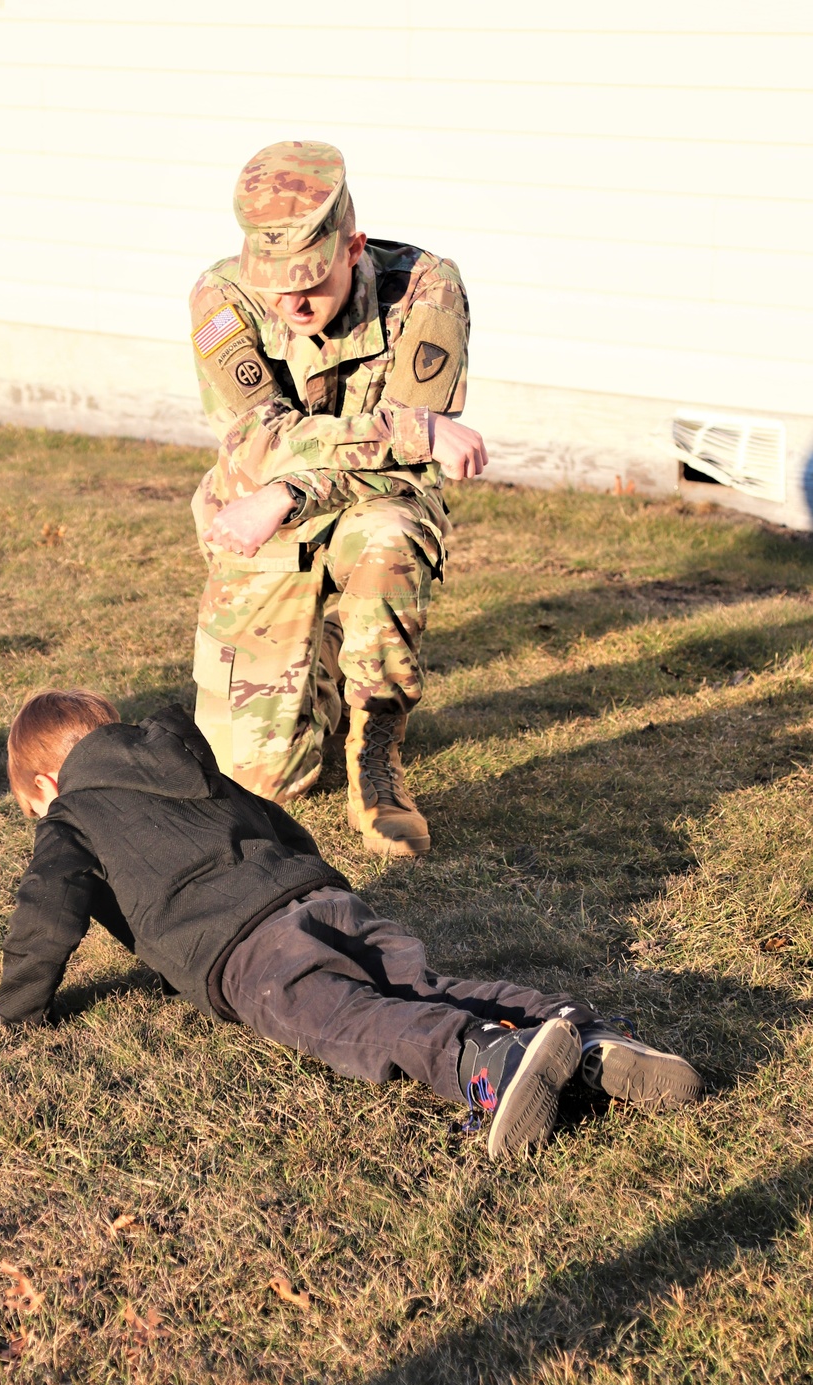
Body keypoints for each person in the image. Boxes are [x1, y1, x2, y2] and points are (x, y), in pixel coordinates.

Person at [0, 691, 704, 1162]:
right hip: (319, 898)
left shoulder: (72, 813)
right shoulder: (186, 764)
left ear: (46, 785)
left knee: (350, 1020)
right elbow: (273, 820)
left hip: (244, 951)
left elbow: (48, 909)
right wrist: (316, 885)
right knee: (419, 980)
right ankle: (581, 1031)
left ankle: (491, 1064)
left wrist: (16, 1014)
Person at [188, 139, 489, 858]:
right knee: (264, 782)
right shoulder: (221, 295)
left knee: (391, 536)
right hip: (264, 526)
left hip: (362, 509)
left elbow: (403, 477)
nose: (291, 303)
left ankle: (376, 751)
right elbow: (262, 443)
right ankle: (325, 662)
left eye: (311, 282)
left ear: (353, 246)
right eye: (276, 284)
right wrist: (410, 429)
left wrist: (291, 488)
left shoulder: (428, 288)